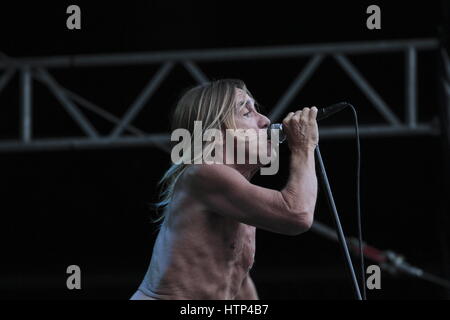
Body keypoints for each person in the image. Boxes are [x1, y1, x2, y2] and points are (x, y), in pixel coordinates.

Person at [130, 79, 318, 300]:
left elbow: (235, 278)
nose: (266, 121)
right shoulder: (202, 172)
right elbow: (297, 214)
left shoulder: (237, 194)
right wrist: (304, 146)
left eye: (256, 110)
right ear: (216, 132)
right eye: (247, 113)